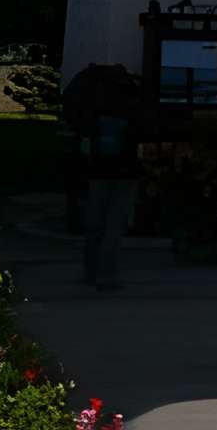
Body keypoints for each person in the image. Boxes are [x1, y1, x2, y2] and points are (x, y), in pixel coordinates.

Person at [61, 64, 143, 291]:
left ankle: (91, 270)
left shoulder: (92, 97)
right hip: (125, 169)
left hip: (97, 167)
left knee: (95, 221)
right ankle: (107, 274)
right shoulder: (131, 97)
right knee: (115, 223)